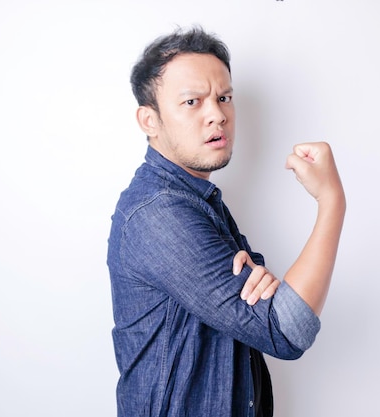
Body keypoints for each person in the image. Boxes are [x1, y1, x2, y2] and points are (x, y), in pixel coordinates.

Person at [107, 26, 345, 417]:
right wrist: (331, 200)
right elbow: (285, 329)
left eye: (224, 97)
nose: (217, 114)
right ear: (149, 120)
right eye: (192, 101)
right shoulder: (159, 213)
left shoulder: (200, 200)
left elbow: (267, 307)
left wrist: (270, 292)